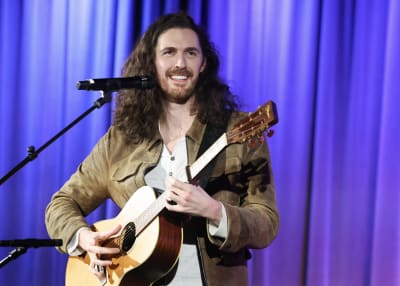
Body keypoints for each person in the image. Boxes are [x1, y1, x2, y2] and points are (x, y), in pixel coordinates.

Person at [45, 12, 279, 286]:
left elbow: (267, 223)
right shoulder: (121, 140)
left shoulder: (237, 130)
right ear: (151, 63)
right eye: (169, 52)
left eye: (191, 53)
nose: (180, 63)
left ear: (203, 63)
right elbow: (60, 204)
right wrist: (85, 240)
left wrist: (215, 211)